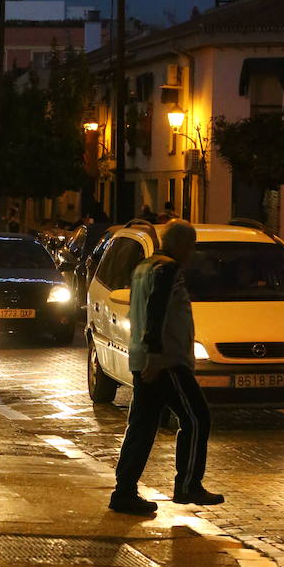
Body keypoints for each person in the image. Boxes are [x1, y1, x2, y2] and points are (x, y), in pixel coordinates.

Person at [109, 220, 223, 516]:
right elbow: (156, 310)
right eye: (192, 245)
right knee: (197, 417)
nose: (193, 251)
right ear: (182, 245)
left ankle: (124, 491)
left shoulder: (144, 267)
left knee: (143, 425)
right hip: (165, 361)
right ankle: (188, 485)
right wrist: (157, 356)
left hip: (144, 358)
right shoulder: (168, 269)